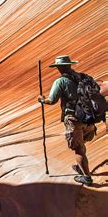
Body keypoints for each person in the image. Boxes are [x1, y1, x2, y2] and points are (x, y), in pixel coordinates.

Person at [38, 55, 96, 185]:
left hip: (74, 119)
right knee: (81, 144)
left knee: (78, 149)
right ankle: (81, 167)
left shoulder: (61, 81)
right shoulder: (83, 77)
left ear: (58, 67)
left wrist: (42, 99)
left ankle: (86, 177)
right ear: (70, 65)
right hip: (89, 118)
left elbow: (51, 101)